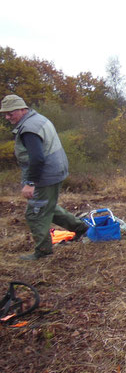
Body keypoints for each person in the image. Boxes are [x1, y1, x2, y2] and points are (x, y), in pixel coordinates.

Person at [1, 94, 88, 260]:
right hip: (55, 170)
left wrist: (30, 183)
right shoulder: (37, 119)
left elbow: (37, 158)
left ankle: (43, 252)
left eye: (10, 113)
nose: (7, 117)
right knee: (47, 206)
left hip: (45, 174)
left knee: (35, 213)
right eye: (5, 114)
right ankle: (81, 228)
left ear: (21, 109)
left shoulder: (28, 129)